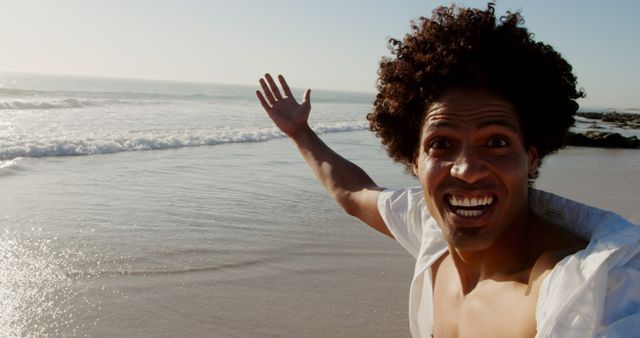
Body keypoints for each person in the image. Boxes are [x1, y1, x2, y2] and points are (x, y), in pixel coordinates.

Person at [256, 4, 640, 337]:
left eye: (496, 142)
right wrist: (300, 133)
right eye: (441, 143)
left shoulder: (583, 291)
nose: (468, 170)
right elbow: (352, 194)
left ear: (532, 157)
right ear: (415, 161)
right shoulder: (430, 227)